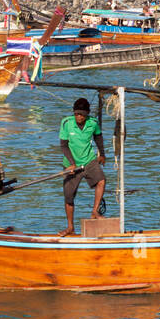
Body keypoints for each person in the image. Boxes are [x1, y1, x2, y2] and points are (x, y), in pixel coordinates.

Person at [58, 97, 106, 236]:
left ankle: (95, 211)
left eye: (82, 115)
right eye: (76, 114)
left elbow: (98, 137)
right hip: (71, 163)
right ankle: (70, 227)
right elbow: (63, 145)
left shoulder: (93, 122)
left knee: (101, 180)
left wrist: (102, 154)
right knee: (69, 196)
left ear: (87, 114)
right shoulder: (66, 123)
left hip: (89, 160)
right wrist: (72, 163)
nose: (79, 117)